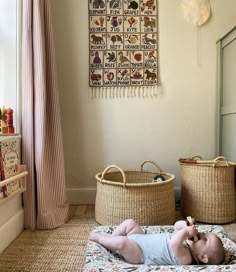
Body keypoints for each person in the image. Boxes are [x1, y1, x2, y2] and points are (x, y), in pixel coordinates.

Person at [90, 219, 225, 266]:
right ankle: (111, 238)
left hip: (140, 253)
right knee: (130, 223)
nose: (202, 234)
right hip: (141, 238)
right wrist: (185, 226)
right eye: (205, 234)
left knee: (122, 243)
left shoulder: (187, 259)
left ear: (202, 257)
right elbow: (176, 226)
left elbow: (173, 244)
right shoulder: (187, 240)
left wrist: (185, 232)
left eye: (205, 239)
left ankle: (101, 239)